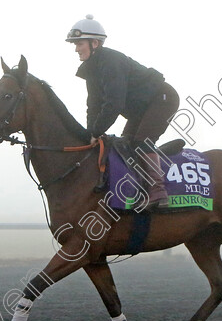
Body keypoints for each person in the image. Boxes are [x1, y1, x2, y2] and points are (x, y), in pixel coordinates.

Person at [66, 14, 180, 208]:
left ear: (94, 43)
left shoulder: (111, 61)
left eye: (79, 44)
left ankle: (158, 192)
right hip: (143, 108)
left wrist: (96, 131)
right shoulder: (91, 70)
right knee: (126, 145)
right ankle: (140, 189)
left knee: (141, 141)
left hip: (162, 99)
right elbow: (93, 105)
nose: (76, 49)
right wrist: (90, 134)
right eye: (75, 45)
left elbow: (114, 103)